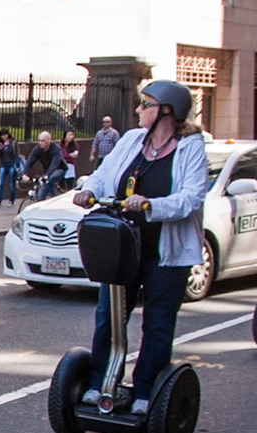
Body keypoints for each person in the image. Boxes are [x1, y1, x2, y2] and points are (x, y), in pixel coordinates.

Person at [71, 80, 210, 413]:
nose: (137, 110)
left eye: (144, 104)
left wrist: (150, 204)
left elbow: (191, 198)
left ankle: (146, 391)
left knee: (158, 322)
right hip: (122, 247)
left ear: (166, 110)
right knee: (109, 316)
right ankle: (101, 383)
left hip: (166, 252)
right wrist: (88, 190)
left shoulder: (191, 147)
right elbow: (104, 175)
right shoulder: (132, 139)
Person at [25, 130, 64, 200]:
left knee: (51, 178)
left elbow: (54, 164)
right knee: (40, 196)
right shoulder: (38, 149)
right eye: (39, 141)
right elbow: (30, 161)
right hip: (47, 172)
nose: (40, 143)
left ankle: (54, 199)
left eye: (43, 141)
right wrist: (25, 173)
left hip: (59, 169)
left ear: (49, 141)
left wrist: (47, 175)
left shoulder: (56, 149)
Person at [0, 129, 20, 207]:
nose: (3, 137)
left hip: (11, 165)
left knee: (11, 184)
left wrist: (17, 165)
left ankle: (11, 200)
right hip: (3, 165)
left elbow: (17, 154)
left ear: (8, 134)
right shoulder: (0, 144)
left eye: (5, 134)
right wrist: (0, 149)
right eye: (2, 135)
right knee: (0, 183)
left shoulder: (13, 143)